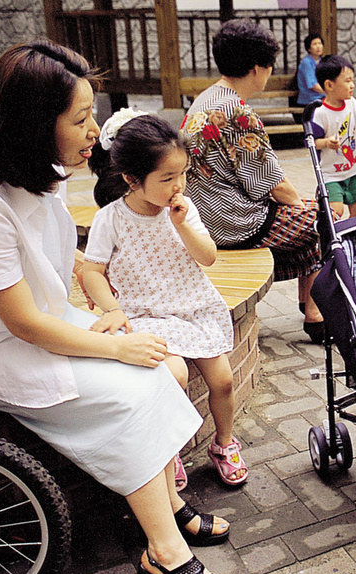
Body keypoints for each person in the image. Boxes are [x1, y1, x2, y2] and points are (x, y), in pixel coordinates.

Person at [0, 41, 235, 574]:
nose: (95, 132)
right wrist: (112, 340)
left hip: (39, 325)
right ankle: (164, 553)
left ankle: (171, 509)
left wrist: (99, 316)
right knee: (138, 388)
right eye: (81, 119)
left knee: (162, 361)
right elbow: (22, 322)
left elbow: (49, 282)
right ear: (37, 125)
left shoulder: (38, 173)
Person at [83, 109, 248, 487]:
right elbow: (91, 270)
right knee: (173, 375)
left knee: (221, 379)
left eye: (183, 174)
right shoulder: (110, 219)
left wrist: (183, 225)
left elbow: (208, 256)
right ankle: (167, 451)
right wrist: (113, 309)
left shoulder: (184, 212)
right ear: (131, 179)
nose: (179, 185)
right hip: (145, 314)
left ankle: (223, 443)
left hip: (191, 305)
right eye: (167, 178)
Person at [184, 19, 335, 344]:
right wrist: (305, 208)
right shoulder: (237, 112)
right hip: (232, 223)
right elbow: (274, 186)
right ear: (257, 68)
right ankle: (317, 315)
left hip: (202, 217)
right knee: (326, 220)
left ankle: (312, 309)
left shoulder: (204, 99)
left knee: (310, 221)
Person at [310, 54, 356, 218]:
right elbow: (312, 142)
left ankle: (348, 238)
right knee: (336, 212)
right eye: (347, 81)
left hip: (350, 170)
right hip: (330, 173)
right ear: (329, 85)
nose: (352, 85)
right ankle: (329, 237)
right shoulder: (320, 112)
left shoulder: (352, 103)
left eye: (352, 80)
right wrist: (327, 142)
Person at [296, 33, 325, 107]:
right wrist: (329, 92)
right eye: (315, 44)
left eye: (320, 43)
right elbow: (313, 86)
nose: (318, 46)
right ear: (309, 48)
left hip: (321, 97)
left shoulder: (321, 61)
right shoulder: (307, 63)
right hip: (309, 100)